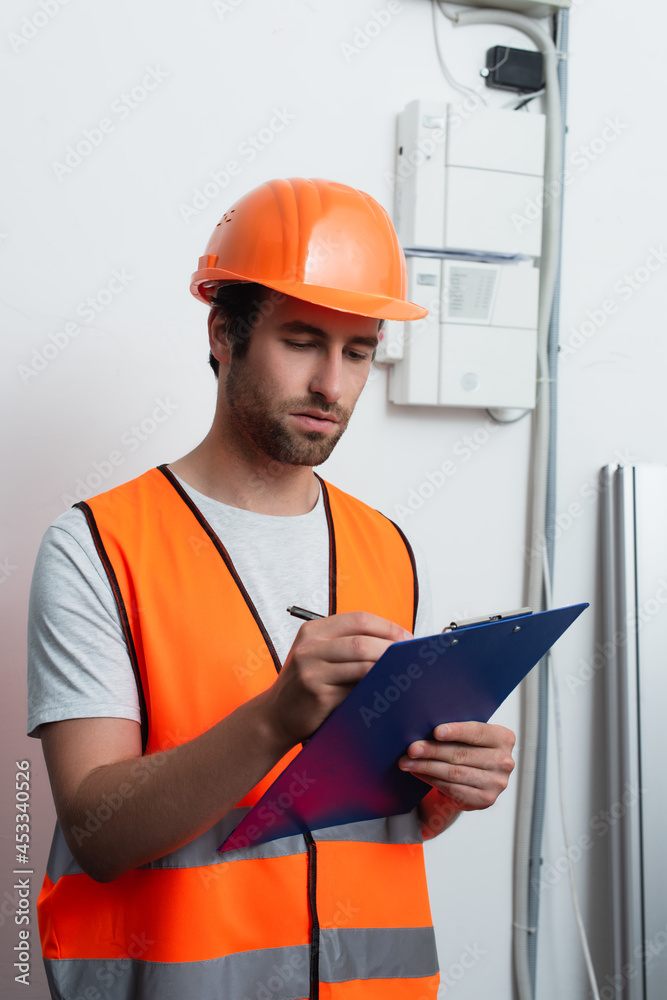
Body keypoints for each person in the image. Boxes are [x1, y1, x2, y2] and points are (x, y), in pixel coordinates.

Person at [28, 176, 516, 1000]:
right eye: (301, 340)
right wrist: (274, 717)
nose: (333, 383)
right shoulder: (96, 547)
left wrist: (447, 788)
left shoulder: (389, 548)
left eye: (357, 351)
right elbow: (98, 833)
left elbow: (370, 811)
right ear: (224, 333)